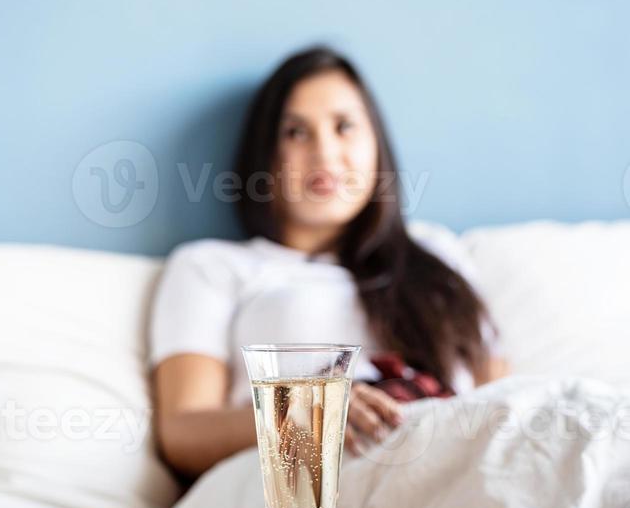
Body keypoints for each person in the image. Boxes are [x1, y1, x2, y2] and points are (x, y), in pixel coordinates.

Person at [151, 46, 507, 477]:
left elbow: (503, 402)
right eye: (296, 133)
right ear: (262, 154)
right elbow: (182, 431)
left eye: (344, 127)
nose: (325, 152)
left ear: (376, 143)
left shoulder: (435, 253)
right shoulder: (213, 266)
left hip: (454, 471)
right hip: (306, 482)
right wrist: (309, 411)